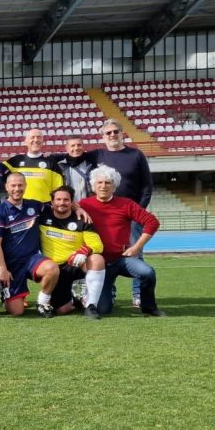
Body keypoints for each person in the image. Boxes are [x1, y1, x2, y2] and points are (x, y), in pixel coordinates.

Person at [79, 165, 165, 317]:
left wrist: (137, 247)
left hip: (122, 259)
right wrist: (75, 207)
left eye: (108, 183)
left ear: (114, 186)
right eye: (99, 183)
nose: (103, 186)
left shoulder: (126, 204)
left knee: (147, 272)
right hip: (100, 264)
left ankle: (149, 306)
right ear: (93, 186)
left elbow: (152, 222)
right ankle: (97, 296)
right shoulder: (84, 205)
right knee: (103, 310)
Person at [87, 119, 154, 307]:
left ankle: (138, 295)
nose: (112, 135)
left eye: (115, 131)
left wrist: (137, 212)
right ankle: (110, 292)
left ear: (122, 133)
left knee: (135, 254)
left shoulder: (136, 155)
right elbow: (73, 157)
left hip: (131, 215)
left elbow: (147, 186)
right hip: (104, 216)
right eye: (108, 133)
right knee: (106, 253)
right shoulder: (96, 155)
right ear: (102, 136)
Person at [0, 173, 60, 317]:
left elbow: (58, 206)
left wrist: (78, 208)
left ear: (26, 186)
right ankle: (5, 293)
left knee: (52, 269)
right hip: (12, 265)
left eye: (20, 185)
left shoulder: (35, 206)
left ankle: (43, 302)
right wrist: (2, 269)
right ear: (6, 187)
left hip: (32, 259)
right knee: (17, 311)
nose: (17, 188)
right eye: (13, 185)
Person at [38, 186, 105, 319]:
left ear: (71, 202)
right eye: (58, 199)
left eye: (66, 200)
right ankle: (75, 297)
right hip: (55, 270)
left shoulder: (82, 219)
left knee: (97, 259)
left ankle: (91, 305)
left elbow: (98, 245)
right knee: (63, 309)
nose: (61, 203)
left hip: (76, 263)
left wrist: (84, 251)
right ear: (51, 202)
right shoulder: (42, 216)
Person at [4, 128, 63, 203]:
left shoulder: (51, 162)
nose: (35, 140)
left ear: (43, 142)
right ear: (25, 142)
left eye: (39, 137)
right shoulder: (14, 161)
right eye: (32, 137)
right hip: (20, 208)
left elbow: (58, 190)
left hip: (44, 208)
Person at [54, 135, 95, 200]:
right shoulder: (59, 166)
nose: (76, 148)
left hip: (87, 206)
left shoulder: (92, 166)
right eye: (73, 146)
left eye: (79, 145)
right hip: (67, 206)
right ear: (67, 148)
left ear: (83, 147)